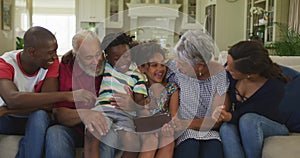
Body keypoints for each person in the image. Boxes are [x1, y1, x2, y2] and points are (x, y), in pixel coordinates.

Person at [0, 26, 94, 158]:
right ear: (32, 52)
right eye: (50, 52)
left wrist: (8, 109)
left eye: (55, 51)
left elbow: (48, 105)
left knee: (40, 115)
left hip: (26, 116)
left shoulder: (51, 63)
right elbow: (12, 99)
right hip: (7, 120)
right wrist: (68, 96)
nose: (55, 56)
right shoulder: (5, 64)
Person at [45, 30, 116, 158]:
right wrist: (84, 114)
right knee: (55, 133)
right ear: (76, 56)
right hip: (74, 130)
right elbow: (59, 114)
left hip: (103, 129)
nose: (96, 61)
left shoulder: (111, 67)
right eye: (89, 57)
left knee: (108, 134)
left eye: (98, 54)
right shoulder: (65, 69)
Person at [215, 41, 289, 158]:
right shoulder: (229, 74)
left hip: (270, 124)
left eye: (232, 68)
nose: (226, 69)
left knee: (248, 120)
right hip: (241, 121)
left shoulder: (274, 87)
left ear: (249, 74)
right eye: (227, 64)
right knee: (226, 128)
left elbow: (253, 112)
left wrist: (230, 116)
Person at [84, 32, 148, 158]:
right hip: (103, 109)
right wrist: (71, 52)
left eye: (126, 56)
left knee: (133, 145)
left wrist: (132, 103)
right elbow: (89, 54)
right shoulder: (106, 67)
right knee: (93, 132)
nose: (122, 61)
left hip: (124, 113)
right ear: (107, 58)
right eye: (116, 58)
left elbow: (140, 103)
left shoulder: (138, 76)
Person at [167, 30, 230, 158]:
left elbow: (216, 121)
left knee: (213, 152)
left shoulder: (220, 76)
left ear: (200, 66)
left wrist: (185, 123)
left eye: (182, 64)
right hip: (184, 134)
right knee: (189, 148)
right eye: (177, 61)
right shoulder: (174, 69)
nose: (177, 66)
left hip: (210, 132)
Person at [133, 42, 179, 158]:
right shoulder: (140, 88)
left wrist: (169, 126)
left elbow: (174, 117)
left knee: (168, 139)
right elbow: (137, 113)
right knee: (151, 140)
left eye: (162, 64)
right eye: (154, 65)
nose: (160, 69)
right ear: (142, 68)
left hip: (163, 128)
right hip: (144, 129)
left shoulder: (171, 89)